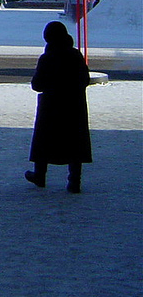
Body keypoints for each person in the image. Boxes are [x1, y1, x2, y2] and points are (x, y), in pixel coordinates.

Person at [25, 21, 92, 193]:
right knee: (74, 142)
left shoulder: (47, 58)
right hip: (74, 106)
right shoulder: (75, 55)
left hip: (51, 107)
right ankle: (74, 181)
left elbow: (37, 84)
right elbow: (85, 80)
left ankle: (40, 175)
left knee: (44, 141)